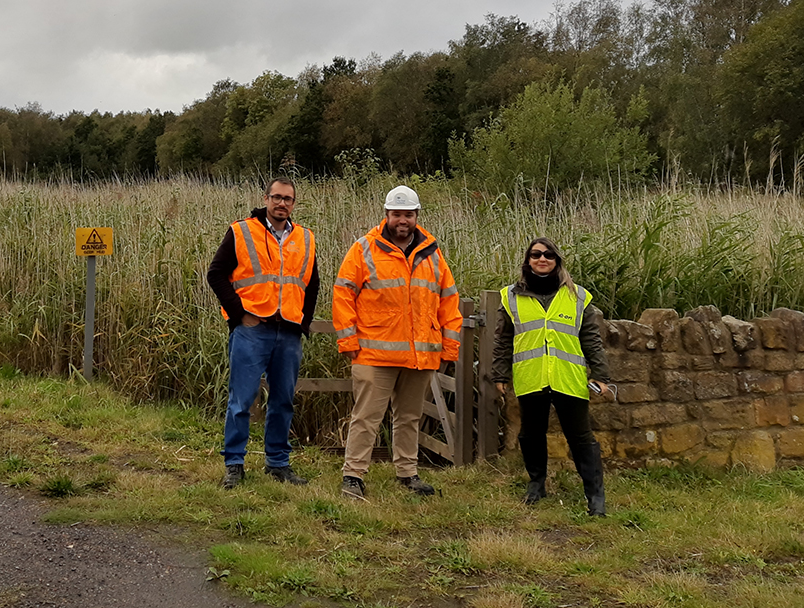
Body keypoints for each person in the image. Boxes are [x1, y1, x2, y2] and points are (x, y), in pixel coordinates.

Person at [332, 185, 462, 499]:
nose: (402, 220)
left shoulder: (433, 253)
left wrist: (449, 347)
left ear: (416, 216)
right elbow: (343, 294)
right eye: (396, 214)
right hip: (373, 353)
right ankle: (353, 475)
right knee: (366, 417)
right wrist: (349, 342)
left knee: (409, 418)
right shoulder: (364, 249)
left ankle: (407, 473)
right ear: (386, 215)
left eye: (408, 214)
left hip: (419, 355)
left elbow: (449, 301)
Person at [207, 178, 320, 489]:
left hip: (288, 334)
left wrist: (303, 323)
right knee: (241, 401)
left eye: (288, 199)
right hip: (252, 330)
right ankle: (234, 464)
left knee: (283, 401)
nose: (282, 204)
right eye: (277, 197)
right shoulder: (242, 231)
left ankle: (278, 464)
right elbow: (215, 274)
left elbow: (312, 285)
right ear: (266, 199)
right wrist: (238, 314)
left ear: (294, 204)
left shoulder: (305, 238)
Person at [493, 237, 611, 516]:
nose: (542, 259)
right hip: (530, 377)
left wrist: (602, 374)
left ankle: (595, 496)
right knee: (531, 434)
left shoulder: (578, 296)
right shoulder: (510, 296)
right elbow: (503, 340)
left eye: (548, 255)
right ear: (528, 260)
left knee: (581, 437)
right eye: (535, 254)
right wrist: (499, 374)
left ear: (557, 260)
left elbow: (591, 339)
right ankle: (537, 484)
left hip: (568, 378)